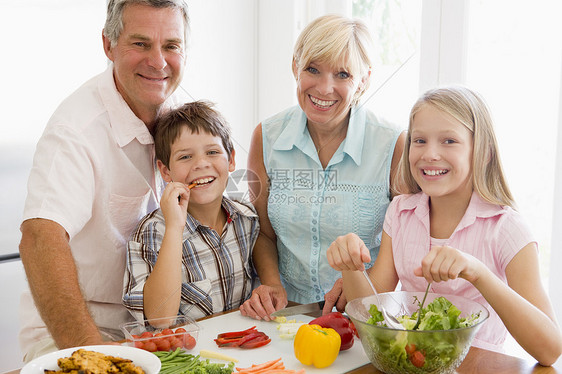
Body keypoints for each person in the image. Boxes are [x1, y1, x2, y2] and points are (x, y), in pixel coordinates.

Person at [327, 86, 562, 365]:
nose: (430, 154)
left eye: (449, 141)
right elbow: (370, 311)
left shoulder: (507, 228)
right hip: (412, 364)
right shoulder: (401, 212)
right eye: (420, 140)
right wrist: (351, 266)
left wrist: (479, 273)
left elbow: (550, 350)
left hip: (478, 367)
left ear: (482, 151)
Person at [18, 0, 189, 362]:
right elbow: (39, 238)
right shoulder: (75, 131)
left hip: (153, 326)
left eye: (171, 46)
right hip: (81, 330)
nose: (158, 62)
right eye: (140, 44)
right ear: (109, 45)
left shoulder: (176, 111)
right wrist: (91, 349)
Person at [239, 14, 406, 321]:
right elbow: (263, 232)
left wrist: (359, 281)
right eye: (313, 69)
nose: (325, 88)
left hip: (364, 316)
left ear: (364, 80)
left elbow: (405, 240)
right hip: (285, 315)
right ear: (295, 67)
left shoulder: (394, 144)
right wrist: (273, 284)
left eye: (343, 74)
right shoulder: (266, 136)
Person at [123, 101, 259, 322]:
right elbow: (160, 318)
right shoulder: (151, 233)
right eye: (186, 157)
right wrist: (175, 228)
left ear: (231, 159)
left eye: (212, 152)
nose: (201, 164)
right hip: (185, 354)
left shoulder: (248, 219)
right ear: (166, 171)